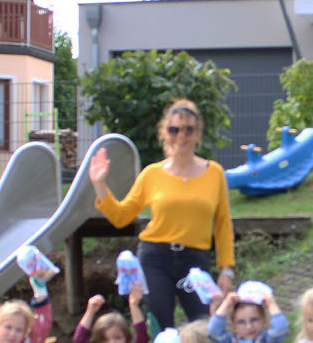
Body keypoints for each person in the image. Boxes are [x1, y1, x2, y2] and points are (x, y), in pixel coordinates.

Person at [89, 98, 235, 330]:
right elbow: (121, 217)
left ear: (198, 134)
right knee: (160, 330)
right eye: (174, 129)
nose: (181, 136)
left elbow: (223, 225)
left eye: (189, 130)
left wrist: (226, 269)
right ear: (164, 133)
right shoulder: (152, 174)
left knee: (203, 328)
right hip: (155, 259)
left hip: (194, 263)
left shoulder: (214, 173)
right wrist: (100, 184)